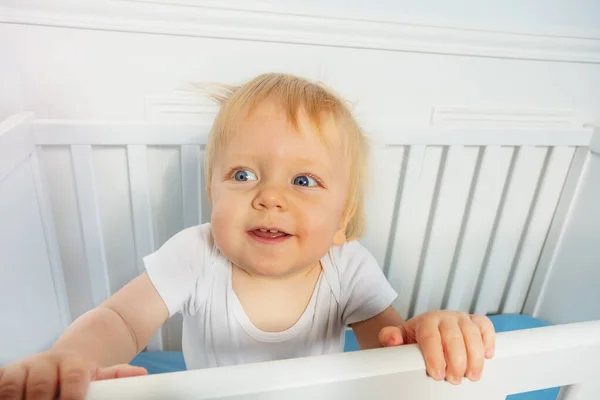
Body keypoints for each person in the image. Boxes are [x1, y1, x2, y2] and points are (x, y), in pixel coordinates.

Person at [0, 73, 495, 399]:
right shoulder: (195, 254)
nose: (270, 197)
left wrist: (424, 333)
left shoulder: (348, 268)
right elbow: (122, 322)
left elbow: (388, 349)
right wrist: (72, 360)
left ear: (343, 220)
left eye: (303, 181)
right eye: (242, 175)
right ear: (211, 190)